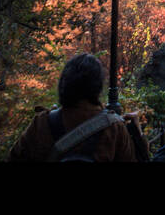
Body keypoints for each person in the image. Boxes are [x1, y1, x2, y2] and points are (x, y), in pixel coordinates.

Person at [9, 53, 139, 162]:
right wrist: (139, 136)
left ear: (64, 83)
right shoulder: (114, 128)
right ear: (98, 86)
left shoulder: (41, 123)